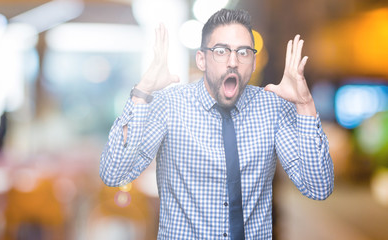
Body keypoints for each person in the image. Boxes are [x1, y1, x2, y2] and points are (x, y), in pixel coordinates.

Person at [100, 8, 334, 239]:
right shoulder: (169, 106)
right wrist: (142, 93)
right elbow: (114, 174)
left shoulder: (272, 108)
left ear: (253, 62)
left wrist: (304, 104)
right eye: (221, 51)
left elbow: (318, 188)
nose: (233, 61)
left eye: (243, 52)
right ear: (201, 59)